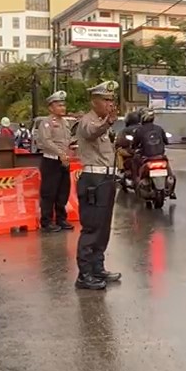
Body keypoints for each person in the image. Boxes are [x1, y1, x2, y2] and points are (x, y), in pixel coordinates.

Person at [75, 81, 121, 291]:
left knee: (103, 229)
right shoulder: (88, 121)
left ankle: (97, 268)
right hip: (93, 180)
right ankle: (84, 275)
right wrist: (107, 123)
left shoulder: (103, 121)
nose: (110, 104)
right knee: (92, 228)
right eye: (105, 100)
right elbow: (91, 132)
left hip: (106, 180)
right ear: (94, 102)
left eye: (112, 100)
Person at [36, 91, 74, 233]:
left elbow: (67, 141)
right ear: (51, 108)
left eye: (63, 105)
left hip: (64, 161)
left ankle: (61, 219)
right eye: (59, 105)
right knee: (49, 193)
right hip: (51, 161)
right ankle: (46, 221)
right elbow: (46, 142)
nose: (62, 108)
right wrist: (60, 153)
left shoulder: (65, 123)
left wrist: (72, 147)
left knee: (63, 192)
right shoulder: (46, 123)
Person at [130, 108, 174, 195]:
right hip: (160, 157)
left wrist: (133, 148)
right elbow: (166, 141)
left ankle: (135, 182)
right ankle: (172, 191)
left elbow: (134, 145)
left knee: (134, 161)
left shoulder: (139, 130)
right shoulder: (159, 128)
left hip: (147, 158)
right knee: (170, 171)